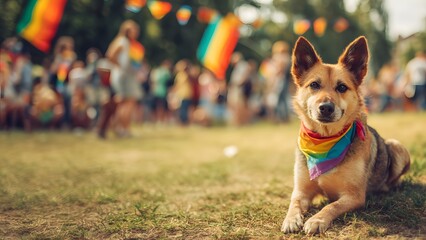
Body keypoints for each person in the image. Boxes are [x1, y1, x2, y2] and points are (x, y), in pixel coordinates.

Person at [104, 19, 143, 137]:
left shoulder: (129, 43)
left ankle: (120, 127)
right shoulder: (122, 41)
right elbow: (110, 56)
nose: (136, 32)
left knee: (124, 102)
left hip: (127, 75)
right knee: (127, 102)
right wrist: (120, 67)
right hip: (124, 76)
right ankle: (123, 129)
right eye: (133, 30)